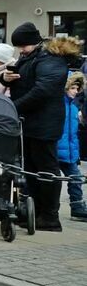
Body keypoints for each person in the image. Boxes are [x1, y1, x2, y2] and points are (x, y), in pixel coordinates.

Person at [3, 23, 82, 231]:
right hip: (29, 122)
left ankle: (49, 216)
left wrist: (14, 106)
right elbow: (23, 78)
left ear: (33, 42)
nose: (21, 50)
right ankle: (34, 212)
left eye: (23, 46)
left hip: (44, 123)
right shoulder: (31, 56)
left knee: (46, 168)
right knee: (31, 167)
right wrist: (6, 78)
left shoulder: (50, 58)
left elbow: (43, 90)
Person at [57, 73, 87, 222]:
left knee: (75, 179)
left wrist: (76, 155)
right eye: (72, 88)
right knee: (51, 181)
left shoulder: (74, 108)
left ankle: (77, 207)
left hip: (69, 152)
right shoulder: (58, 105)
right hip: (56, 150)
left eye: (77, 88)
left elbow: (74, 134)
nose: (75, 91)